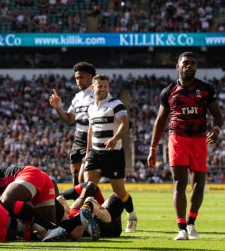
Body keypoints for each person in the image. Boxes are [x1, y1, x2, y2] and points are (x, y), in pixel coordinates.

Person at [147, 51, 223, 240]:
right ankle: (181, 227)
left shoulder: (206, 89)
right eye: (185, 63)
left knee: (198, 184)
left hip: (199, 140)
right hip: (177, 139)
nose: (190, 66)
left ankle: (191, 223)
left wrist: (216, 130)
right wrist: (152, 148)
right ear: (178, 67)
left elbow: (218, 115)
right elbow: (160, 121)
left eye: (193, 63)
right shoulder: (169, 91)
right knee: (180, 183)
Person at [84, 74, 138, 233]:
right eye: (99, 86)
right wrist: (88, 152)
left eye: (105, 86)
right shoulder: (91, 107)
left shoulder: (116, 104)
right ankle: (87, 216)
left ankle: (132, 216)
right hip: (95, 152)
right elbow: (91, 130)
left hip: (113, 153)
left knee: (119, 191)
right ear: (93, 88)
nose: (102, 89)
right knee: (89, 186)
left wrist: (114, 139)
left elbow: (125, 124)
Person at [49, 62, 96, 186]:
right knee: (75, 178)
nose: (78, 81)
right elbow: (70, 120)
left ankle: (91, 203)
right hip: (78, 138)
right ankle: (79, 205)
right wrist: (58, 108)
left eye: (81, 77)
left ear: (91, 77)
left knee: (85, 179)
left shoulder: (99, 95)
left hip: (93, 138)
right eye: (76, 78)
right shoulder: (78, 97)